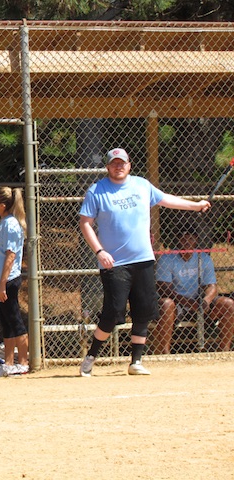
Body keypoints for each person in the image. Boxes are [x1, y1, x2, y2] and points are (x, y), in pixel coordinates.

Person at [79, 147, 211, 376]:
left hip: (143, 260)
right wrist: (99, 251)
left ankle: (136, 361)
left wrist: (195, 205)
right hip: (114, 263)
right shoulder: (97, 191)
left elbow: (166, 200)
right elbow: (85, 223)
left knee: (143, 310)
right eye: (114, 163)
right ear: (108, 167)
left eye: (122, 163)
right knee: (113, 312)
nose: (118, 166)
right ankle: (91, 356)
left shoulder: (142, 185)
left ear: (129, 165)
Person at [153, 228, 234, 354]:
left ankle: (224, 351)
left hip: (198, 301)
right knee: (166, 304)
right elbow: (164, 289)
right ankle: (165, 353)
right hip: (177, 303)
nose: (187, 241)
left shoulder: (203, 258)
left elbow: (212, 286)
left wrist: (206, 301)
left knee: (228, 304)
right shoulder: (167, 258)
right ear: (178, 240)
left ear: (196, 240)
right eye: (183, 238)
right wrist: (188, 303)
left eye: (190, 238)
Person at [0, 186, 29, 376]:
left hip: (8, 281)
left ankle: (23, 363)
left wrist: (3, 284)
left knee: (15, 320)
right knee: (6, 322)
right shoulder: (4, 222)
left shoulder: (11, 225)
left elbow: (10, 256)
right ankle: (9, 363)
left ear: (2, 205)